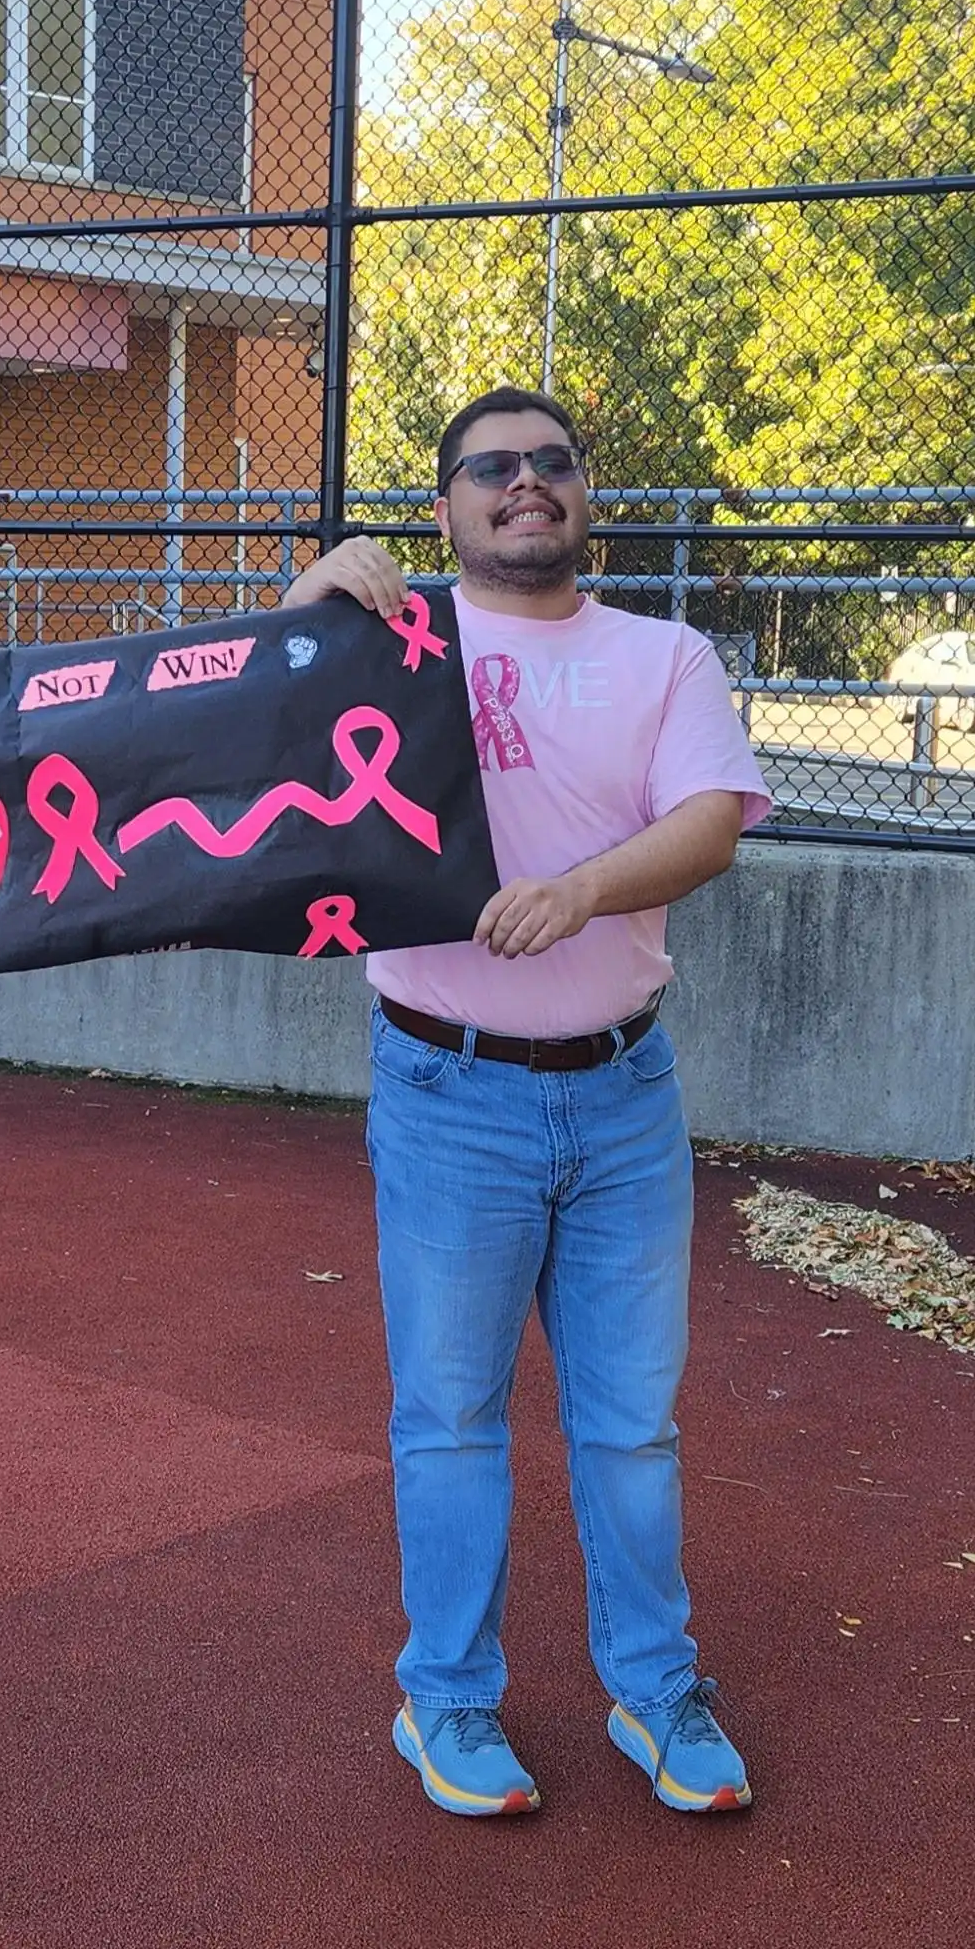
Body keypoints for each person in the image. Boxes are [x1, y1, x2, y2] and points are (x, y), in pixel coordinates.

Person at [283, 386, 773, 1818]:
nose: (524, 486)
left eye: (551, 465)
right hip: (449, 1087)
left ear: (584, 492)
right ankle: (446, 1702)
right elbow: (246, 714)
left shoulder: (663, 654)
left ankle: (658, 1690)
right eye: (491, 470)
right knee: (449, 1415)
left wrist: (579, 892)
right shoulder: (393, 639)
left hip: (625, 1093)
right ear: (446, 506)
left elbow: (706, 825)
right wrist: (305, 597)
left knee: (631, 1421)